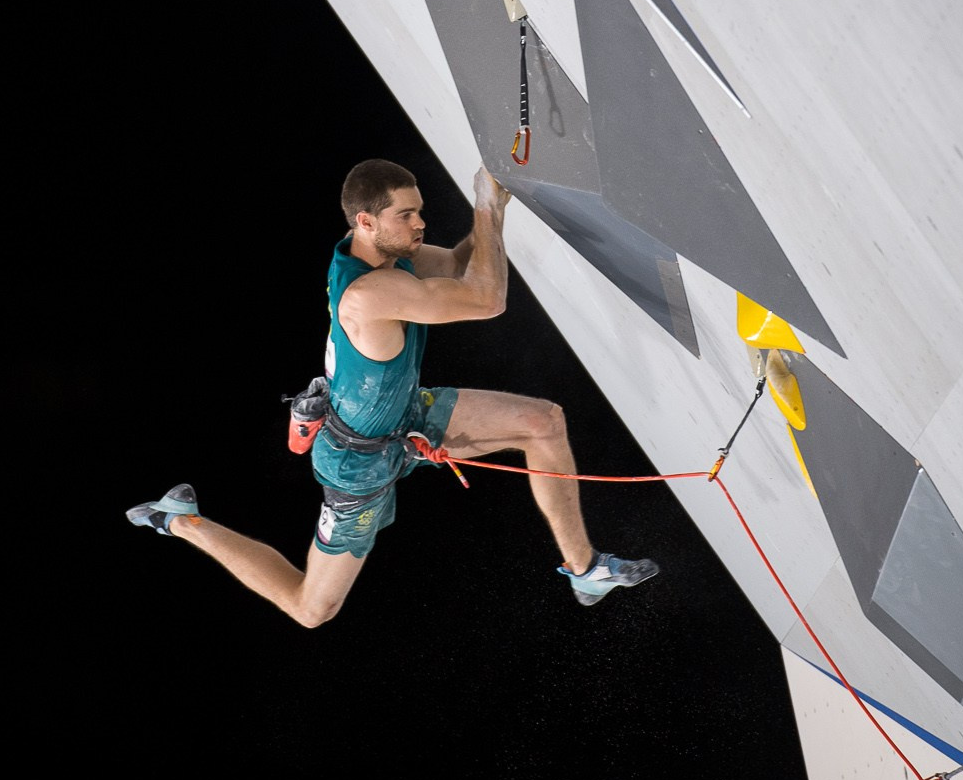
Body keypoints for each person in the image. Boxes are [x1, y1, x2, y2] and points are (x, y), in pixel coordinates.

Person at [126, 157, 658, 626]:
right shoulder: (369, 293)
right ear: (365, 221)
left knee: (543, 423)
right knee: (311, 609)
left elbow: (459, 265)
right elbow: (486, 299)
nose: (420, 223)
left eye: (419, 210)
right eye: (406, 215)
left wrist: (500, 201)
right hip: (357, 465)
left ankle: (585, 571)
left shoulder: (384, 256)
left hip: (407, 417)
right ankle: (181, 521)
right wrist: (485, 205)